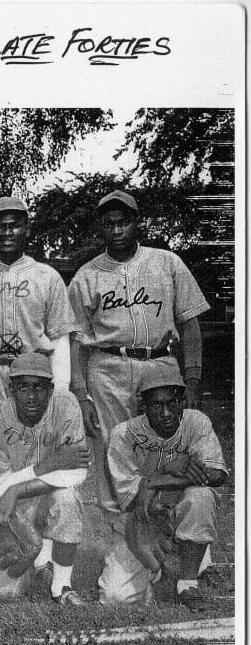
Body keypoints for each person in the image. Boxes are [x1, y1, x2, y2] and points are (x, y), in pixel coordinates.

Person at [67, 190, 212, 568]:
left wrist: (192, 380)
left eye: (124, 221)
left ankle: (189, 546)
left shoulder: (167, 263)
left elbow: (190, 324)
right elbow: (76, 341)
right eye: (109, 223)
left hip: (160, 362)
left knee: (175, 448)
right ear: (101, 227)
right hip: (109, 367)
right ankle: (125, 543)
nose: (116, 229)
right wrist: (81, 393)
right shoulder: (87, 275)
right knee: (115, 454)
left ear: (137, 222)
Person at [0, 196, 76, 600]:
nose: (8, 232)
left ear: (27, 228)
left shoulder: (46, 276)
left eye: (15, 224)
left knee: (36, 457)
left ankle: (47, 563)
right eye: (0, 225)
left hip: (34, 377)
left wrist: (61, 390)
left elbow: (59, 339)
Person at [99, 371, 227, 609]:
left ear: (182, 402)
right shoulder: (123, 434)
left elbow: (217, 475)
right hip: (142, 519)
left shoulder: (196, 421)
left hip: (180, 511)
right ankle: (160, 564)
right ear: (143, 406)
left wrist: (156, 481)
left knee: (200, 496)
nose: (166, 413)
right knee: (117, 598)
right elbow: (131, 500)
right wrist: (167, 470)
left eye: (172, 403)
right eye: (156, 405)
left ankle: (188, 584)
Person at [0, 353, 90, 603]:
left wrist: (16, 489)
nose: (31, 396)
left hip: (44, 498)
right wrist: (49, 464)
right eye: (23, 387)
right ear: (10, 388)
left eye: (39, 387)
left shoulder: (66, 405)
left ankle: (62, 585)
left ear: (51, 389)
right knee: (3, 593)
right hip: (7, 512)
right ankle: (39, 560)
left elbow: (77, 472)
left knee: (67, 498)